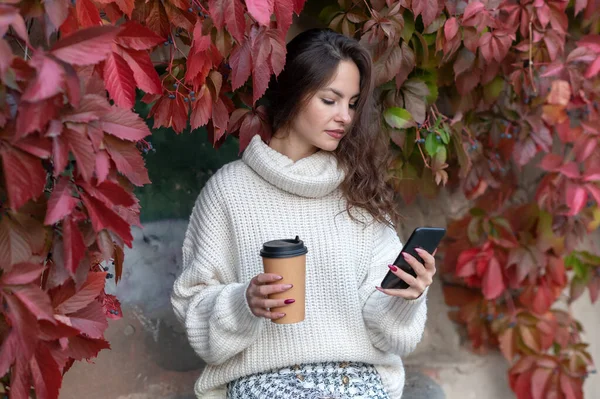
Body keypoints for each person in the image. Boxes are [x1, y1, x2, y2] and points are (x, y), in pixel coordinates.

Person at [171, 28, 436, 399]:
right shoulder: (229, 192)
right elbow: (195, 308)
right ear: (294, 93)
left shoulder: (359, 193)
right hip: (266, 379)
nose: (345, 116)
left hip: (356, 379)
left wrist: (405, 297)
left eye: (353, 103)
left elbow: (390, 333)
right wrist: (243, 302)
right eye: (330, 100)